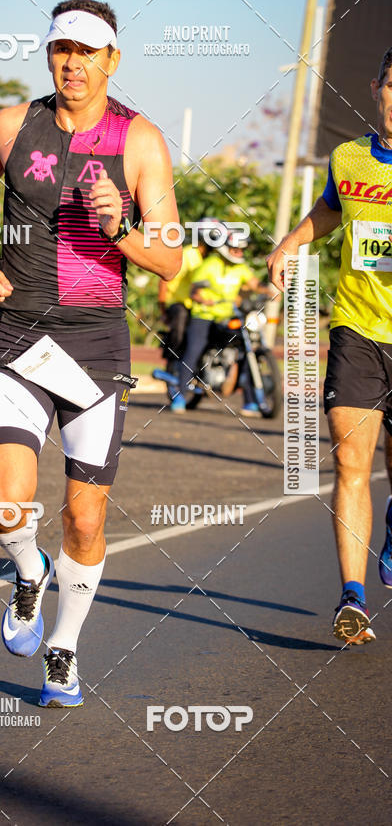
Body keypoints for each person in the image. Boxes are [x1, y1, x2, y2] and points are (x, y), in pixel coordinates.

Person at [0, 0, 180, 707]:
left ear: (112, 59)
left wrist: (119, 228)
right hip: (21, 333)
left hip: (95, 343)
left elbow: (170, 260)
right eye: (61, 49)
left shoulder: (140, 141)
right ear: (49, 54)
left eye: (86, 51)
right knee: (4, 506)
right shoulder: (12, 126)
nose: (72, 63)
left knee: (84, 517)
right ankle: (29, 571)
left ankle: (64, 647)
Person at [267, 46, 392, 645]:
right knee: (349, 462)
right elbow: (331, 208)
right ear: (376, 88)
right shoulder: (349, 157)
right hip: (357, 330)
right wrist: (291, 244)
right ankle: (353, 597)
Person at [171, 227, 270, 414]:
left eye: (242, 250)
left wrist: (270, 291)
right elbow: (194, 290)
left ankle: (250, 402)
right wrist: (203, 300)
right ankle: (180, 395)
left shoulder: (240, 268)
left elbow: (254, 284)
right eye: (236, 249)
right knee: (194, 350)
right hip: (204, 316)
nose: (239, 253)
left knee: (246, 349)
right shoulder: (210, 264)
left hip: (227, 316)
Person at [157, 238, 206, 388]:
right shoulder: (189, 254)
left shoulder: (212, 260)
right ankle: (173, 360)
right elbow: (164, 278)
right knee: (181, 319)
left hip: (197, 306)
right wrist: (162, 308)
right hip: (178, 302)